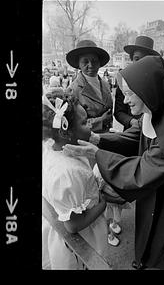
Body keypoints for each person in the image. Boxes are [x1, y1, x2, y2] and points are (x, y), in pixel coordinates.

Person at [63, 55, 164, 270]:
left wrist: (98, 155)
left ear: (148, 90)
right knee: (153, 236)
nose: (125, 101)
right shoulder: (156, 110)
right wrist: (97, 139)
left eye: (131, 94)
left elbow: (141, 172)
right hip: (163, 187)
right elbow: (135, 137)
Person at [42, 91, 109, 270]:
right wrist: (103, 203)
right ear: (66, 133)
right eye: (84, 122)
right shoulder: (67, 174)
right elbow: (72, 225)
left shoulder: (52, 148)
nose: (90, 126)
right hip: (81, 239)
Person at [66, 39, 113, 133]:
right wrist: (101, 121)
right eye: (85, 61)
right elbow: (74, 125)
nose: (91, 65)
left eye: (94, 61)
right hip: (87, 142)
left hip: (107, 139)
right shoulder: (73, 90)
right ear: (79, 65)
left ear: (99, 63)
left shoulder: (106, 84)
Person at [113, 35, 160, 130]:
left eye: (145, 59)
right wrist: (132, 122)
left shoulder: (157, 84)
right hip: (130, 131)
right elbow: (119, 112)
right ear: (132, 59)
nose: (140, 63)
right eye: (137, 59)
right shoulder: (124, 82)